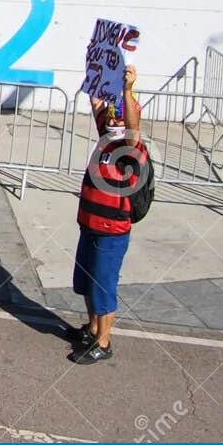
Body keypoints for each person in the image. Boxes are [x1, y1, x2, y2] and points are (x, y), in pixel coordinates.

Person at [69, 64, 146, 365]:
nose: (114, 121)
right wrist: (95, 71)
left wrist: (126, 90)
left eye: (119, 119)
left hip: (111, 229)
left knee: (103, 283)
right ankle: (91, 329)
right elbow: (96, 101)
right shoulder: (105, 139)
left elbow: (133, 122)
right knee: (87, 280)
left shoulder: (130, 148)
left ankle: (104, 341)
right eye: (111, 118)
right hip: (89, 223)